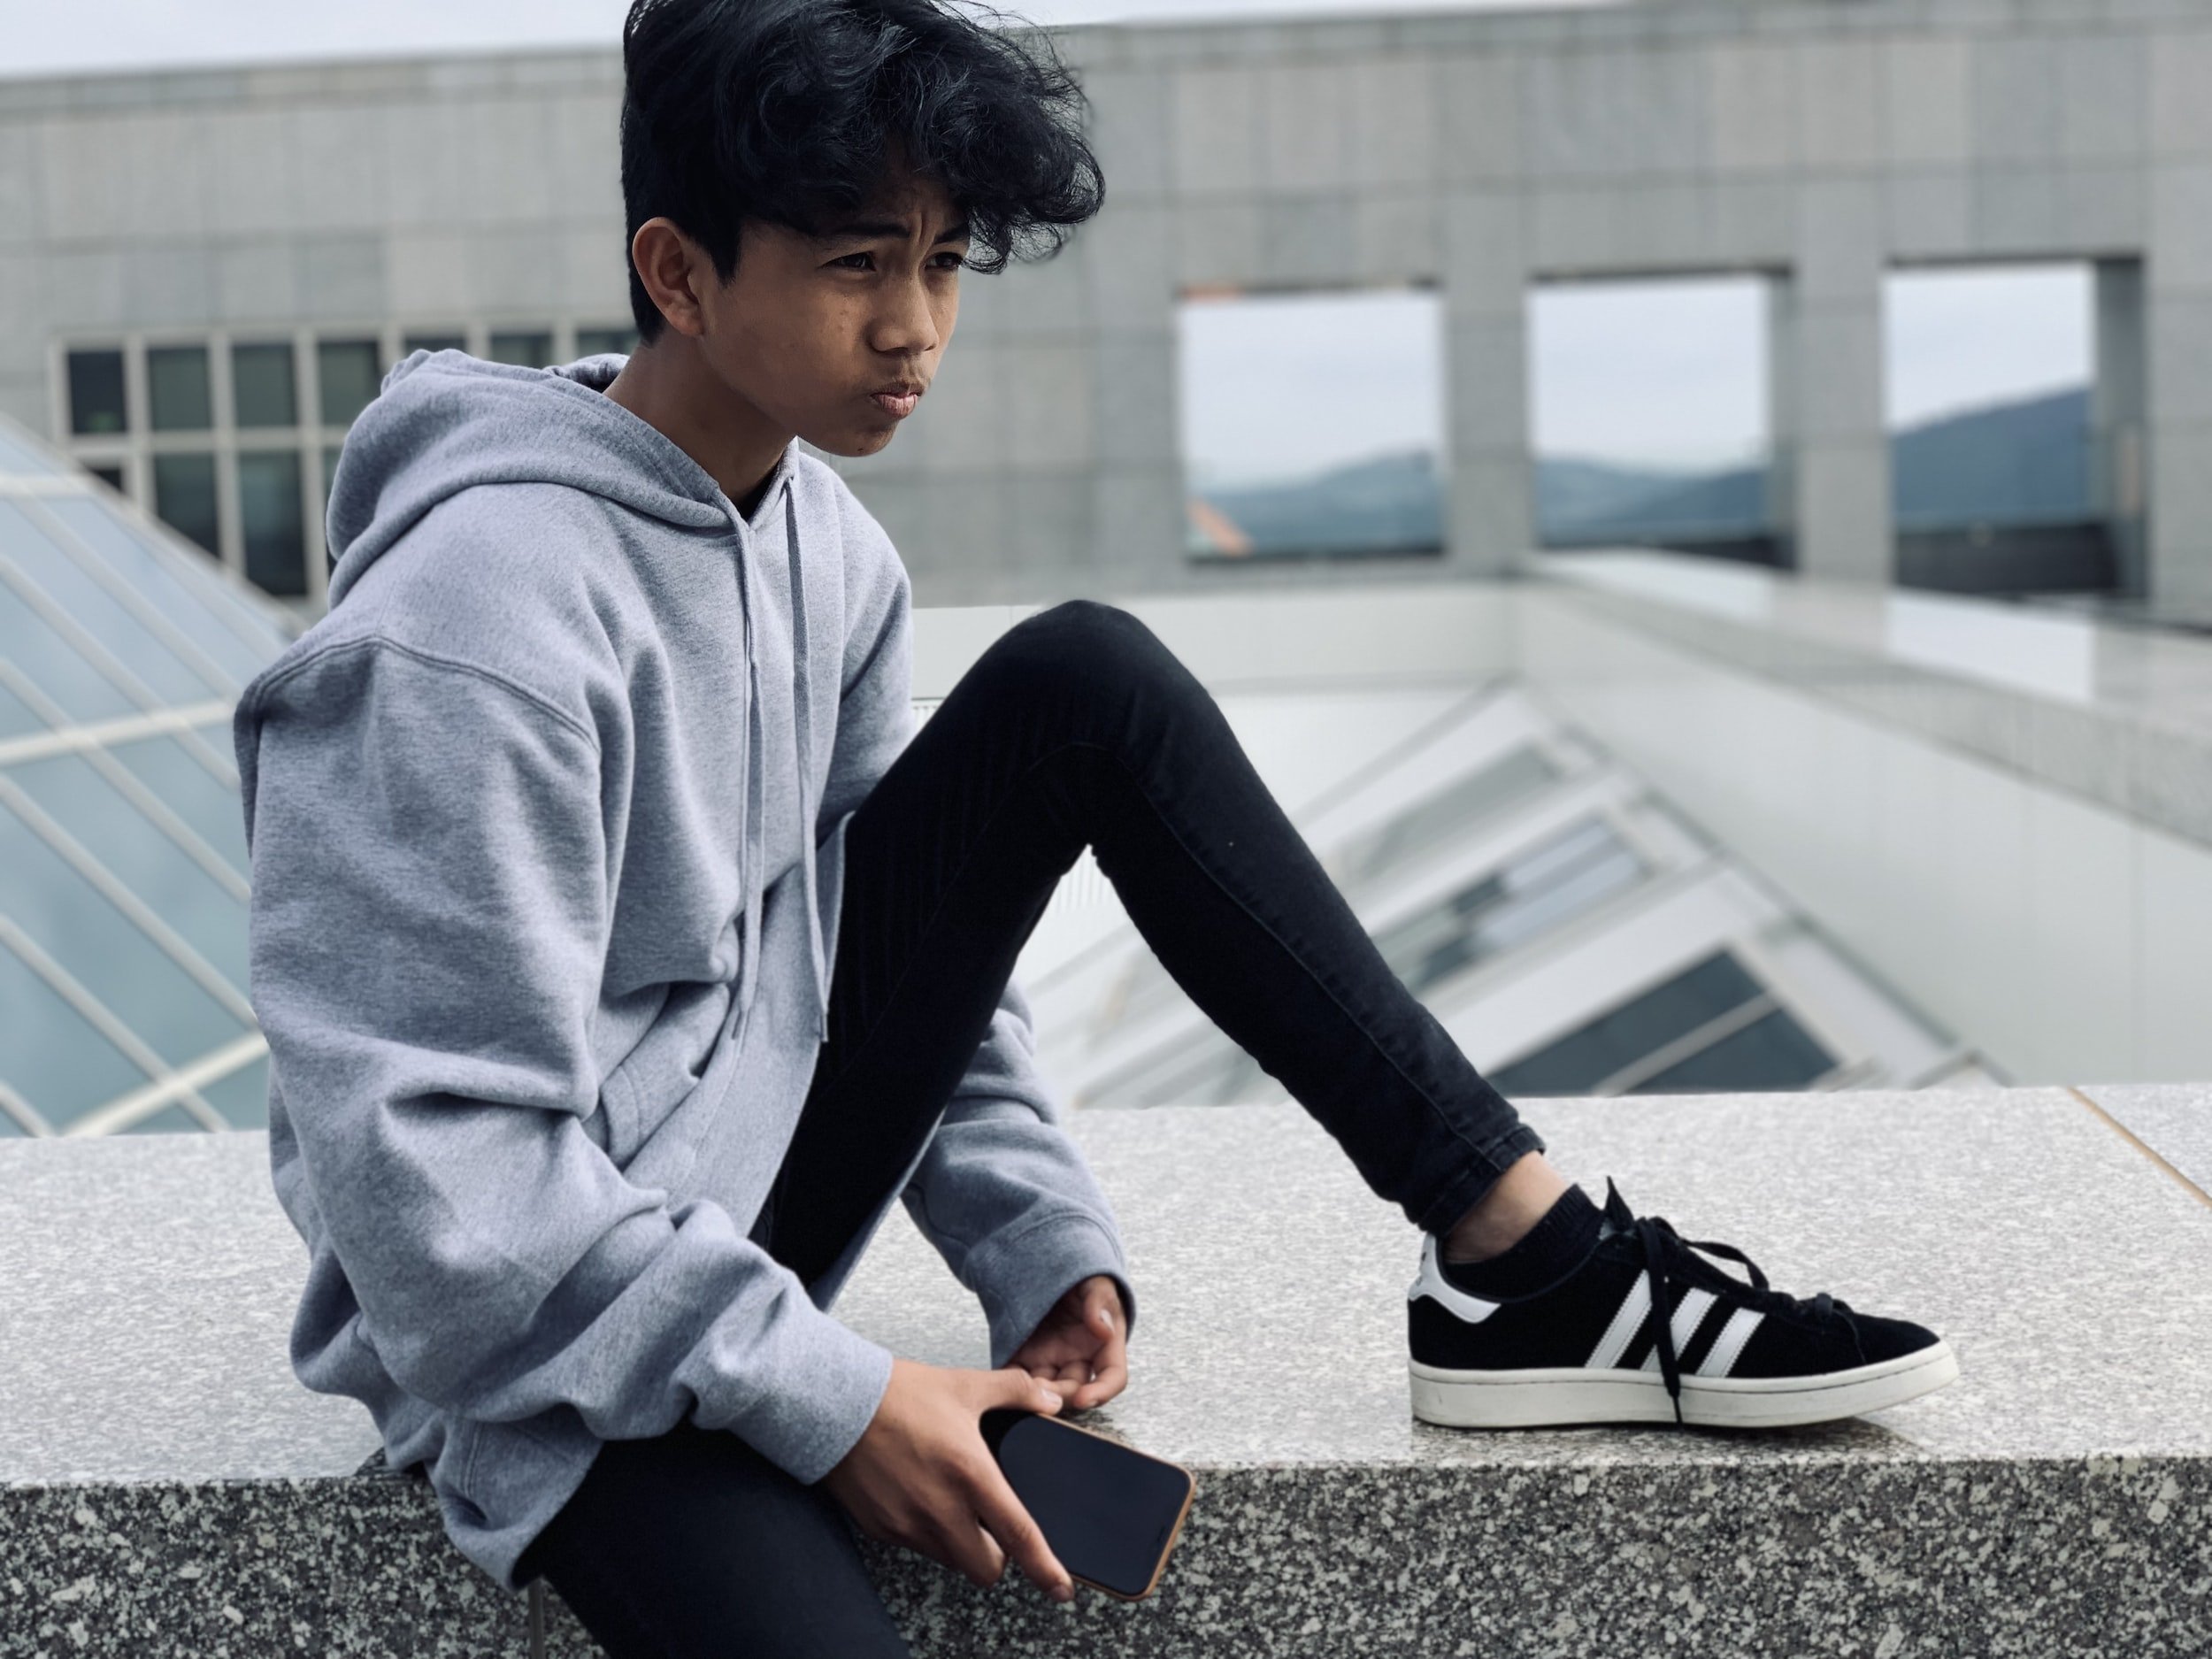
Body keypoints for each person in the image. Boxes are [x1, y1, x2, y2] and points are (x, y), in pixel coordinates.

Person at [232, 1, 1957, 1653]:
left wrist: (1035, 1237)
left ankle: (1535, 1260)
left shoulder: (829, 555)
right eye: (856, 263)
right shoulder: (471, 628)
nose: (914, 327)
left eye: (941, 263)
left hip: (734, 1213)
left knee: (1083, 683)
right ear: (678, 272)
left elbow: (885, 959)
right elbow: (439, 1188)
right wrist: (838, 1394)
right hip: (531, 1335)